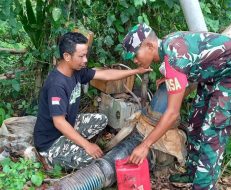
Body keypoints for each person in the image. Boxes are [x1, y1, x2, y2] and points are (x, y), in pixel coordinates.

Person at [122, 23, 231, 189]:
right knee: (195, 123)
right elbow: (194, 61)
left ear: (149, 45)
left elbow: (172, 114)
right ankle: (192, 172)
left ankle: (203, 186)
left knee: (212, 132)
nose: (135, 60)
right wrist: (171, 78)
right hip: (212, 74)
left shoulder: (174, 58)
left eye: (135, 55)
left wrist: (145, 145)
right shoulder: (168, 47)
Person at [33, 32, 151, 170]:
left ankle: (73, 145)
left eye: (85, 55)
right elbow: (59, 122)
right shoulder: (56, 84)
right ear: (66, 56)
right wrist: (87, 145)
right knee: (92, 160)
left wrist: (136, 71)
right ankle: (48, 158)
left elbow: (106, 75)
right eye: (81, 56)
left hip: (66, 127)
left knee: (101, 119)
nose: (85, 60)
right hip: (50, 142)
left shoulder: (76, 71)